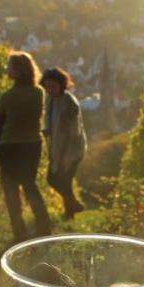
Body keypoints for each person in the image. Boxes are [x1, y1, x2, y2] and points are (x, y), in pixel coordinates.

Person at [0, 51, 51, 242]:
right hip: (32, 145)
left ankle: (19, 233)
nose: (6, 69)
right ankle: (44, 227)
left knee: (11, 190)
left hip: (10, 146)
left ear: (17, 71)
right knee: (30, 185)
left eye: (9, 66)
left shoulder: (7, 97)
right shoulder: (39, 93)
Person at [41, 67, 87, 219]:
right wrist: (47, 129)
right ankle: (71, 210)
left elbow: (74, 132)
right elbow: (48, 116)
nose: (50, 89)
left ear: (61, 84)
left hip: (71, 149)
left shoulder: (69, 102)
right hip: (58, 147)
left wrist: (67, 153)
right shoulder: (51, 99)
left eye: (53, 86)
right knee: (61, 180)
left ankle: (72, 207)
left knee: (58, 179)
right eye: (47, 86)